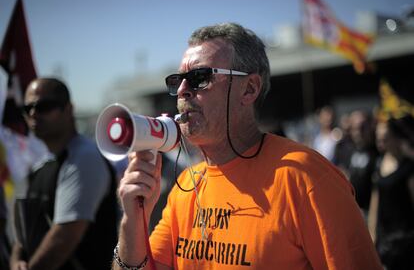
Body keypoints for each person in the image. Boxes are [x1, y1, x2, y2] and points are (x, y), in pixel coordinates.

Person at [113, 23, 382, 270]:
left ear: (249, 89)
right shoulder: (187, 184)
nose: (182, 90)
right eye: (177, 81)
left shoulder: (306, 178)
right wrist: (133, 219)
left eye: (199, 77)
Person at [10, 78, 118, 270]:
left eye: (44, 106)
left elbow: (64, 238)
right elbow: (25, 231)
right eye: (28, 108)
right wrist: (16, 258)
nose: (34, 113)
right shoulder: (41, 165)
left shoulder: (85, 157)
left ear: (69, 109)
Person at [370, 116, 414, 269]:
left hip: (406, 239)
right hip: (386, 239)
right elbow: (375, 204)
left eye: (385, 139)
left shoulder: (408, 167)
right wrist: (372, 235)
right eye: (378, 139)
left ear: (395, 138)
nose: (381, 143)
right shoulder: (378, 164)